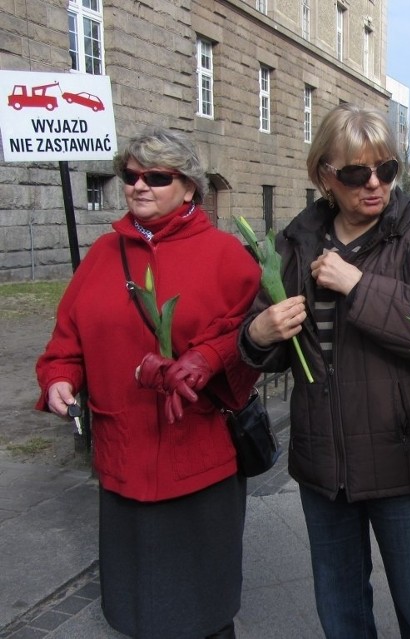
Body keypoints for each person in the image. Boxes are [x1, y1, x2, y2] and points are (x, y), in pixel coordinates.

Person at [238, 103, 410, 639]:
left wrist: (359, 286)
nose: (374, 185)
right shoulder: (295, 245)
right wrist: (258, 335)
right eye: (355, 173)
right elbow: (276, 349)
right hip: (325, 467)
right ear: (325, 176)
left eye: (386, 170)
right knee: (340, 611)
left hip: (406, 464)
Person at [35, 127, 261, 639]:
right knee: (137, 604)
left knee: (203, 605)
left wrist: (203, 358)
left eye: (157, 177)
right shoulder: (101, 255)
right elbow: (65, 342)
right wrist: (59, 380)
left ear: (189, 189)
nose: (140, 186)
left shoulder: (227, 256)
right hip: (124, 455)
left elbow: (250, 342)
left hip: (198, 457)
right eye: (131, 175)